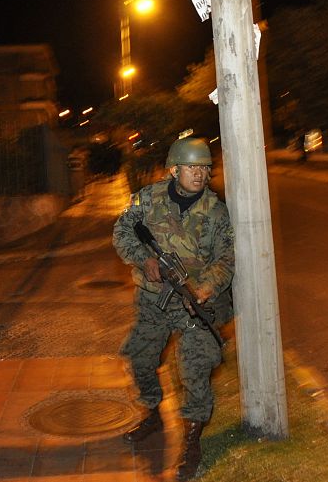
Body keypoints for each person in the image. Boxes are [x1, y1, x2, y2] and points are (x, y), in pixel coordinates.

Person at [112, 137, 234, 481]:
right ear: (174, 169)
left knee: (193, 366)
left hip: (194, 303)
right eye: (192, 167)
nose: (199, 174)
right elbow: (122, 231)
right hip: (153, 298)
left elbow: (225, 258)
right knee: (140, 357)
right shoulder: (146, 199)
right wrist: (144, 259)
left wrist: (205, 288)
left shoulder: (215, 211)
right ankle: (152, 412)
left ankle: (192, 440)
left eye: (204, 168)